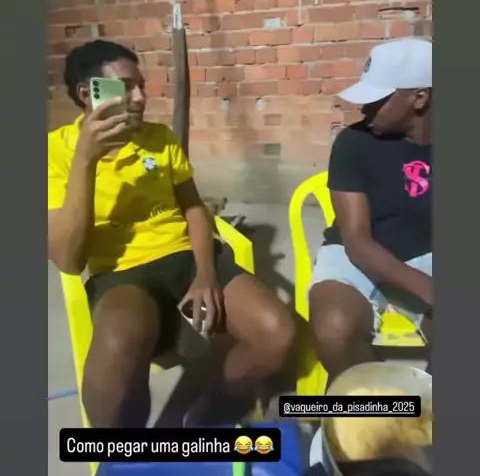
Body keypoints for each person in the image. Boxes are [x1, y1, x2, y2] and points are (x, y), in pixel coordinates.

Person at [48, 40, 295, 429]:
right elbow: (67, 259)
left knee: (277, 334)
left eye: (141, 85)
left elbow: (194, 207)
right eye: (125, 87)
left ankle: (205, 417)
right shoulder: (54, 152)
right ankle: (124, 455)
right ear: (87, 93)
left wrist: (206, 274)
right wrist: (86, 160)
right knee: (120, 339)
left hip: (187, 258)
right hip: (122, 273)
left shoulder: (160, 138)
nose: (140, 98)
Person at [309, 37, 432, 383]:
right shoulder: (353, 143)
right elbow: (357, 242)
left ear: (419, 98)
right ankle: (374, 406)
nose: (365, 110)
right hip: (356, 254)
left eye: (377, 100)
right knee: (334, 329)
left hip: (430, 253)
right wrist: (432, 291)